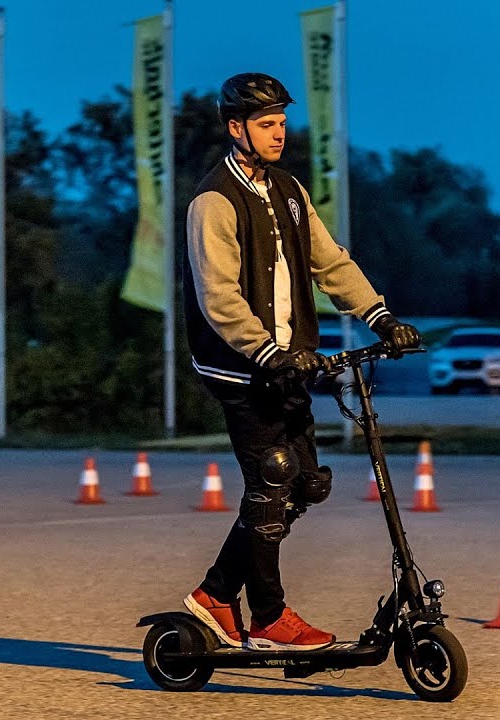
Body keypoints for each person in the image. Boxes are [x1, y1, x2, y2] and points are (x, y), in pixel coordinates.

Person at [181, 73, 421, 651]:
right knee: (273, 481)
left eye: (283, 122)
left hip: (292, 365)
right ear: (235, 128)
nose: (278, 133)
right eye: (266, 124)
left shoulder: (289, 191)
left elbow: (330, 263)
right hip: (242, 369)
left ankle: (215, 596)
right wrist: (268, 351)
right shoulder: (214, 201)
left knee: (305, 485)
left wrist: (379, 316)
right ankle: (266, 617)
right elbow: (219, 297)